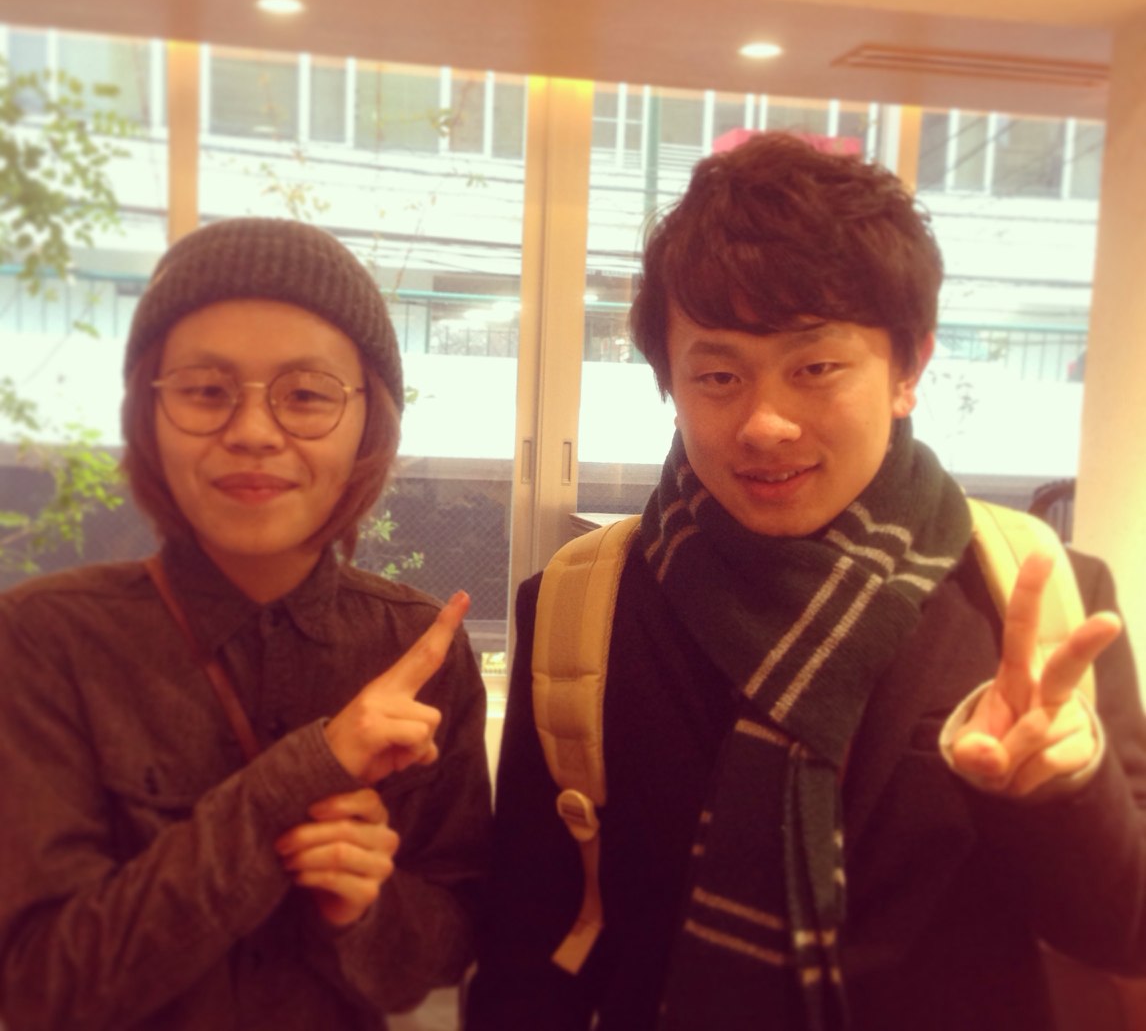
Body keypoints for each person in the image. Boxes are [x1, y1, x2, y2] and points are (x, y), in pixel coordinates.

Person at [465, 133, 1146, 1031]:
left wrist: (1063, 792)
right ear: (670, 380)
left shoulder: (1033, 594)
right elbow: (527, 947)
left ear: (908, 369)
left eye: (816, 367)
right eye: (718, 375)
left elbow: (1122, 932)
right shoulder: (580, 605)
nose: (766, 424)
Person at [0, 218, 492, 1030]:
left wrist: (366, 909)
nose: (255, 432)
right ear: (149, 415)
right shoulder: (46, 641)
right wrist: (299, 782)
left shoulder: (416, 648)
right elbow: (40, 987)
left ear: (369, 422)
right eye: (205, 390)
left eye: (306, 394)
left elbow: (450, 946)